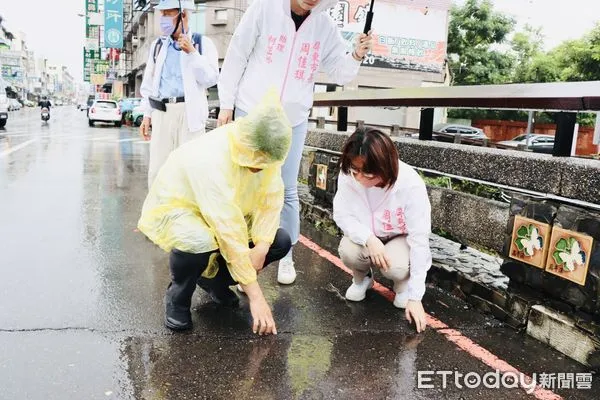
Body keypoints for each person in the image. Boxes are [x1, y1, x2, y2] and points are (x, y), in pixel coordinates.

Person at [217, 0, 374, 285]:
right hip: (252, 112)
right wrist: (226, 104)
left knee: (287, 191)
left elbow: (341, 73)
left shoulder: (324, 25)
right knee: (244, 188)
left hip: (292, 119)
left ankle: (284, 255)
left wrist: (356, 54)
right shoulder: (264, 8)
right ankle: (241, 258)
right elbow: (237, 54)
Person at [138, 90, 292, 334]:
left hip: (227, 215)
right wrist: (256, 296)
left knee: (279, 240)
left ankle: (214, 282)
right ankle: (177, 297)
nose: (260, 168)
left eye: (265, 163)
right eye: (257, 161)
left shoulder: (265, 151)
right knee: (199, 240)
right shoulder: (211, 159)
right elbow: (227, 229)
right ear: (247, 144)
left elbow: (270, 202)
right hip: (185, 211)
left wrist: (262, 247)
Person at [332, 128, 432, 333]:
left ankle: (402, 285)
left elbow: (420, 240)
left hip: (398, 237)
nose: (358, 177)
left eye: (366, 172)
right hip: (367, 237)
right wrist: (369, 238)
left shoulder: (410, 185)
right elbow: (341, 214)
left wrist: (415, 297)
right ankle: (362, 278)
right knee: (348, 250)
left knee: (394, 266)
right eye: (354, 170)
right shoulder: (348, 176)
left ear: (384, 167)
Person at [139, 0, 219, 189]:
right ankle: (158, 216)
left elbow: (210, 79)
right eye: (162, 14)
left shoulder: (202, 43)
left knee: (189, 170)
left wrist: (192, 52)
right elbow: (150, 84)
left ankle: (187, 217)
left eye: (168, 13)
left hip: (189, 113)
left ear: (183, 15)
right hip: (162, 112)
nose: (163, 19)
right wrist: (147, 115)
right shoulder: (158, 46)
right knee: (158, 170)